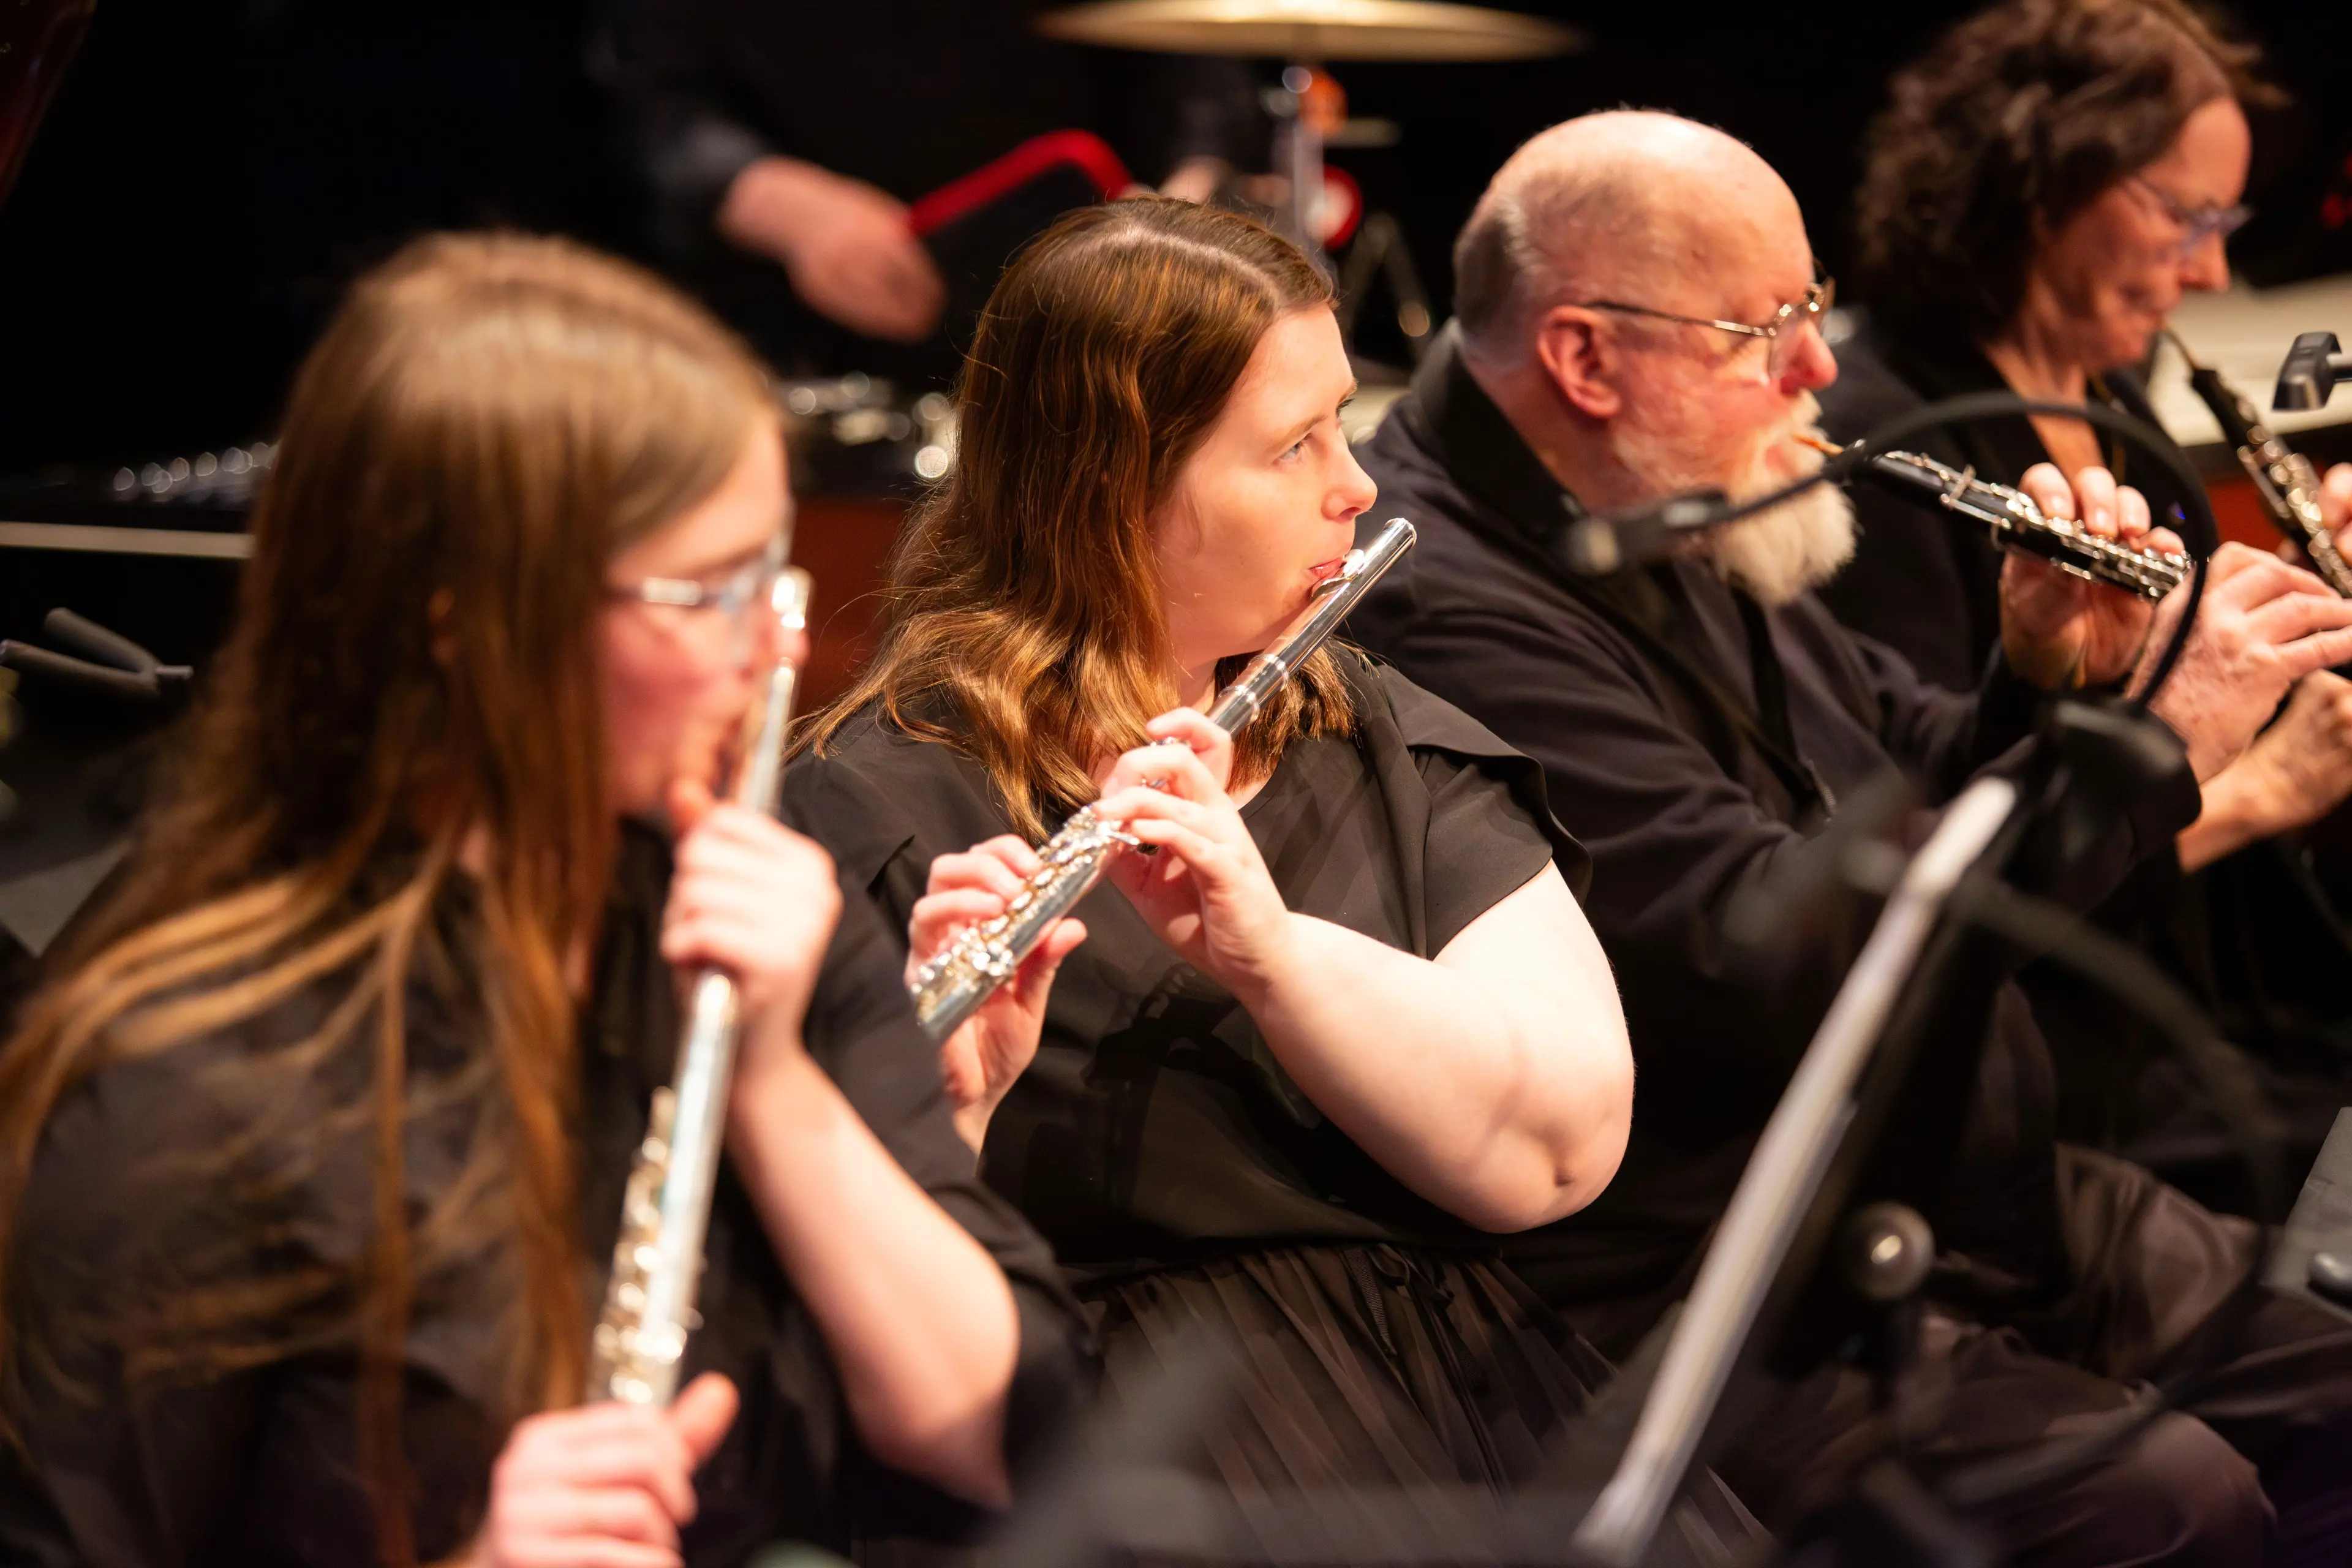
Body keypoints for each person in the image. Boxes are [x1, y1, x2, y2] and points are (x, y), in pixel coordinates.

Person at [1348, 108, 2352, 1564]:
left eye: (1809, 312)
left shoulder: (1653, 484)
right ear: (1583, 356)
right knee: (2171, 1505)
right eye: (1765, 327)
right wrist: (2168, 736)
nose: (1820, 369)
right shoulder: (1446, 605)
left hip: (1955, 1176)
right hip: (1729, 1272)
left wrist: (2043, 673)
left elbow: (1908, 761)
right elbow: (1781, 941)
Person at [0, 233, 1088, 1567]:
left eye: (774, 577)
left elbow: (1017, 1434)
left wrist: (777, 1085)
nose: (773, 649)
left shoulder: (756, 900)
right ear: (465, 624)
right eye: (706, 593)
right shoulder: (179, 1075)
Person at [786, 197, 1756, 1548]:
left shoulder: (1371, 726)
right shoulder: (869, 810)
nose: (1355, 488)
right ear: (1111, 489)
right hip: (1148, 1444)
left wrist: (1277, 952)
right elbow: (835, 1290)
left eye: (1342, 424)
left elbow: (1561, 1149)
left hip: (1474, 1392)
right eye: (1294, 445)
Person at [1822, 0, 2352, 1204]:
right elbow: (1936, 859)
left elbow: (2190, 702)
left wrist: (2308, 617)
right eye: (2185, 216)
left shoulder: (2119, 406)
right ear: (2034, 185)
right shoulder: (1889, 441)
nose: (2214, 269)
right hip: (2037, 1076)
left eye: (2226, 223)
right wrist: (2261, 789)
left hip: (2206, 1010)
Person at [591, 0, 1250, 379]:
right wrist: (781, 205)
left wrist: (1180, 215)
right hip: (796, 332)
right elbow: (654, 99)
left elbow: (1197, 84)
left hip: (1088, 321)